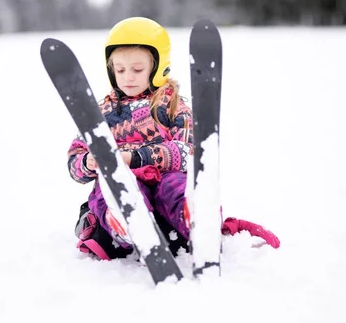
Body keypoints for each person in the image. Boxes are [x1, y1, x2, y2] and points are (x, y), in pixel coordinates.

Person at [67, 16, 280, 261]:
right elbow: (75, 160)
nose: (128, 77)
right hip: (122, 182)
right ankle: (124, 221)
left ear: (158, 67)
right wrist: (87, 162)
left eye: (137, 69)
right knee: (118, 189)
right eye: (120, 69)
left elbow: (187, 151)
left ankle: (195, 218)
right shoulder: (101, 113)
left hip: (166, 177)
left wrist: (138, 157)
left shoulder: (172, 106)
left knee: (175, 187)